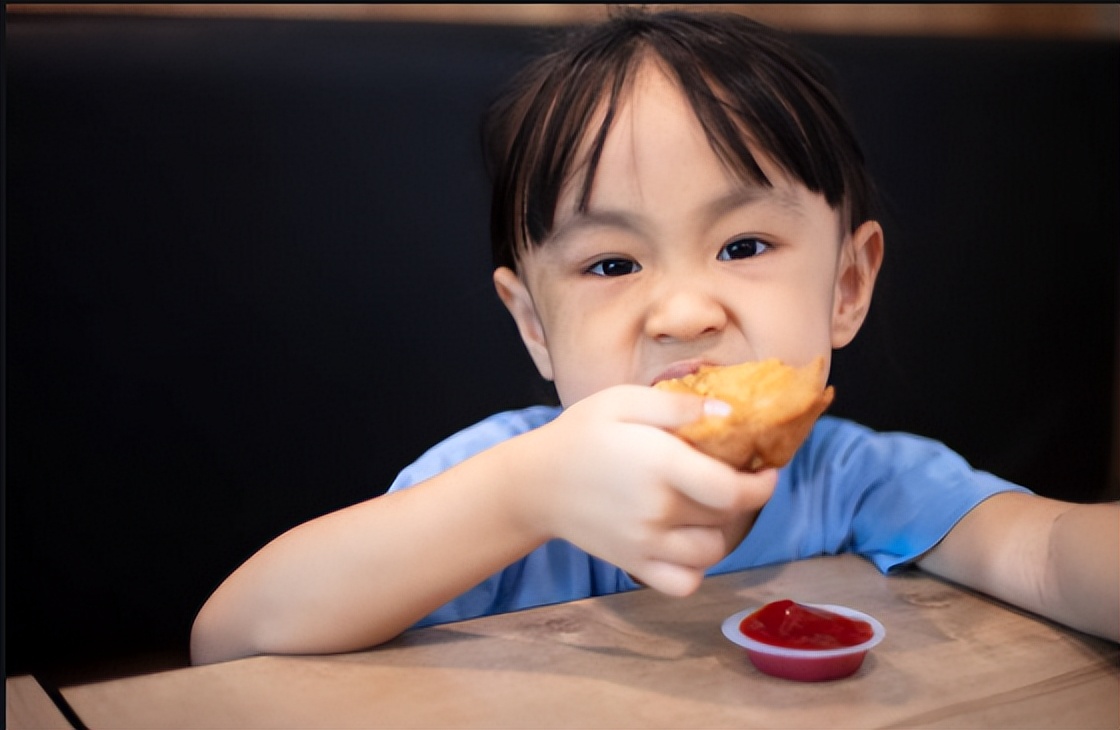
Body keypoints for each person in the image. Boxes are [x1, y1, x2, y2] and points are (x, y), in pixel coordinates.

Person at [190, 9, 1118, 665]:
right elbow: (231, 639)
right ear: (533, 326)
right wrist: (520, 500)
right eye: (611, 265)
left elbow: (1043, 552)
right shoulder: (500, 478)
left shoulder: (858, 480)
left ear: (846, 285)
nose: (683, 314)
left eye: (743, 244)